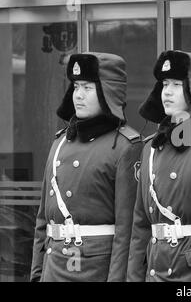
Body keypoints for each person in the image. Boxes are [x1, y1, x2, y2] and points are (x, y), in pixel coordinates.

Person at [30, 52, 142, 282]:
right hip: (53, 267)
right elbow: (43, 221)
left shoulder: (125, 147)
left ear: (107, 91)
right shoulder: (59, 143)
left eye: (88, 88)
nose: (78, 95)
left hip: (94, 270)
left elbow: (126, 232)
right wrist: (37, 273)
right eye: (76, 86)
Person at [127, 50, 191, 282]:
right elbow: (141, 225)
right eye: (164, 84)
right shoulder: (151, 148)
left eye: (176, 84)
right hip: (155, 268)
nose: (167, 91)